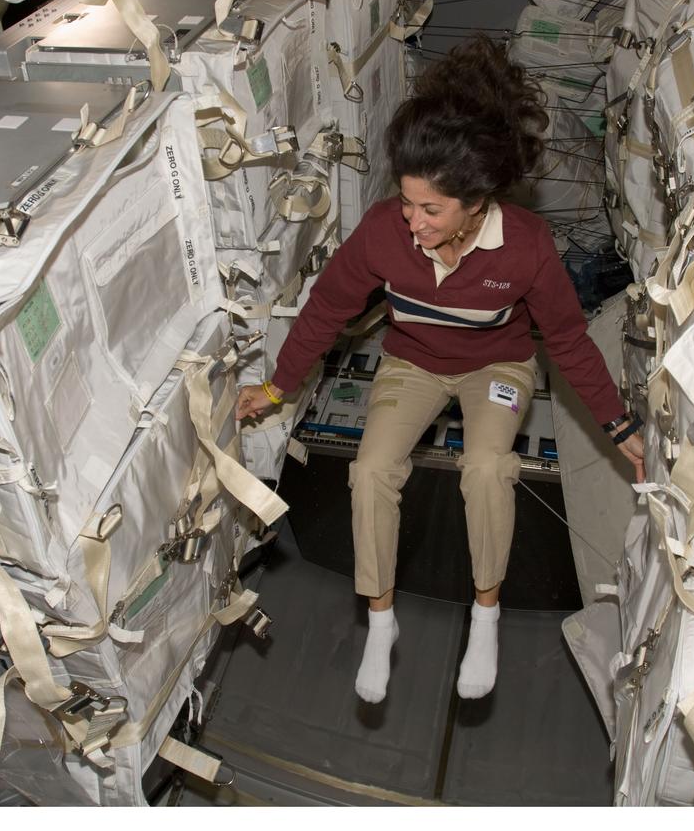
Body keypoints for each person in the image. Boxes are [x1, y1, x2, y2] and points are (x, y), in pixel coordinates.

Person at [236, 36, 644, 704]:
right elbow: (327, 309)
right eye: (406, 203)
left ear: (477, 203)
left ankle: (486, 614)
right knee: (369, 472)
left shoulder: (527, 248)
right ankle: (381, 618)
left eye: (431, 211)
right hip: (413, 361)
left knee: (487, 468)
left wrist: (616, 420)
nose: (413, 222)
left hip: (498, 366)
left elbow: (567, 339)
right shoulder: (382, 233)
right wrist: (279, 385)